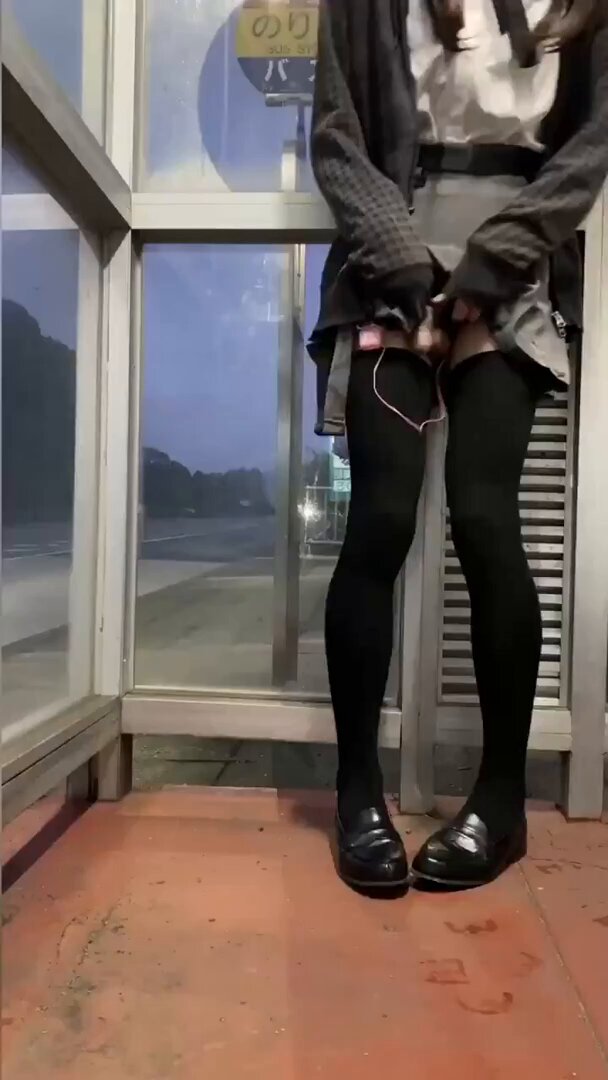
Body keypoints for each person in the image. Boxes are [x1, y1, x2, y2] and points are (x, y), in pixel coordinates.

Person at [309, 0, 608, 891]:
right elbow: (337, 137)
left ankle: (502, 802)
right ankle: (356, 791)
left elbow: (590, 148)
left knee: (484, 518)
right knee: (380, 519)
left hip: (517, 262)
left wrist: (490, 265)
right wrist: (402, 262)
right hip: (386, 253)